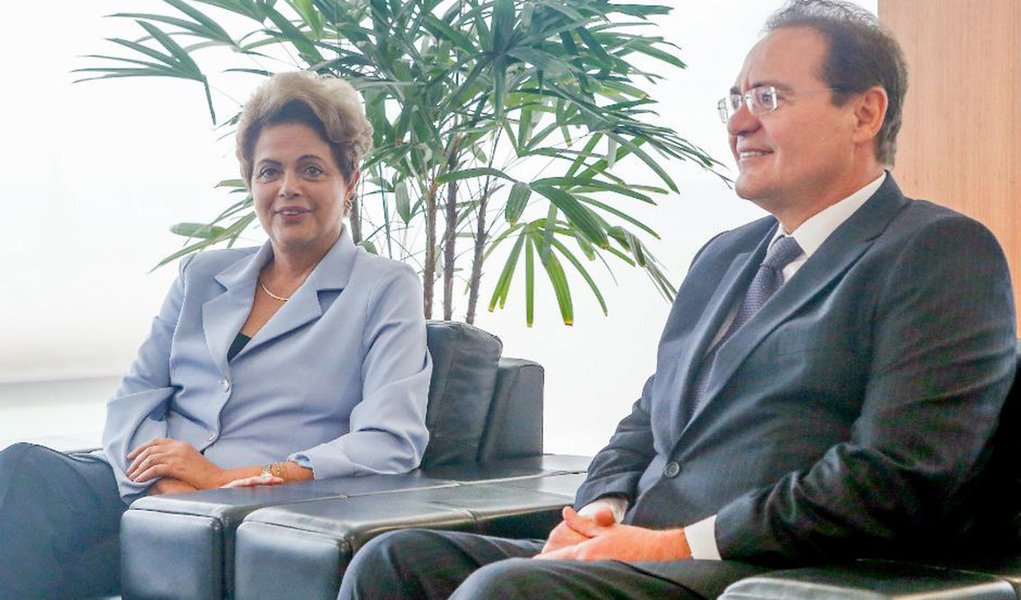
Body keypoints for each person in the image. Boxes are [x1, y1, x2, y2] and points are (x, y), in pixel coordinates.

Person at [338, 1, 1018, 598]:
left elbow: (893, 477)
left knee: (507, 591)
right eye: (735, 101)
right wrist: (603, 505)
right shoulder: (723, 257)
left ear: (862, 112)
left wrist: (676, 543)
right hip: (644, 553)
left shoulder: (936, 251)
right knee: (398, 560)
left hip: (771, 569)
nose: (739, 123)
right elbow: (646, 422)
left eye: (769, 99)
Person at [0, 71, 432, 599]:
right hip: (147, 491)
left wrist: (220, 481)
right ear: (251, 181)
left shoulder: (383, 287)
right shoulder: (203, 275)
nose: (287, 187)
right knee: (24, 470)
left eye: (311, 169)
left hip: (256, 505)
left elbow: (391, 441)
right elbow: (135, 397)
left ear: (350, 182)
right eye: (270, 170)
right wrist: (164, 486)